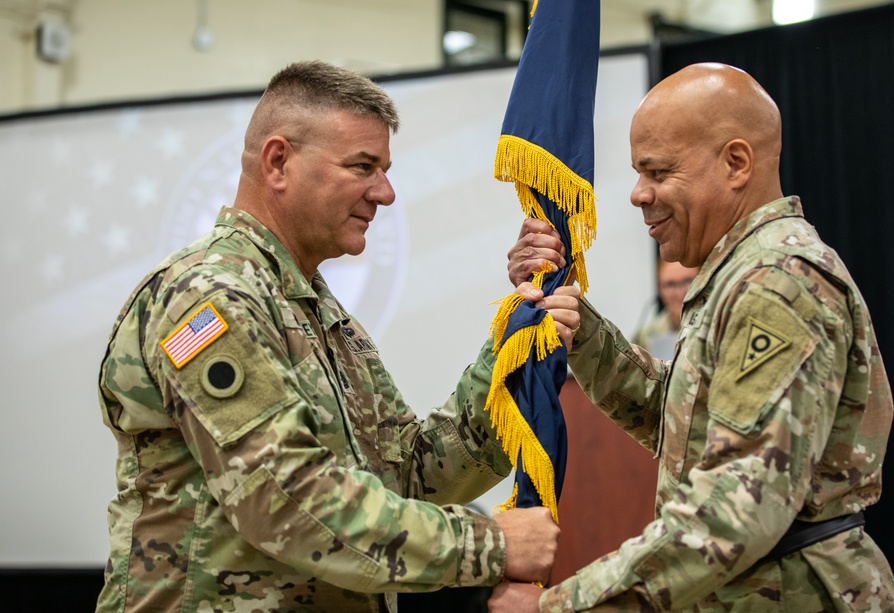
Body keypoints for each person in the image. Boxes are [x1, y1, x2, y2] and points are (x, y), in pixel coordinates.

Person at [96, 60, 580, 612]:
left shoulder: (316, 310)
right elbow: (284, 499)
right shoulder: (209, 298)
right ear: (278, 162)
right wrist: (491, 546)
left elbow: (410, 476)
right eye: (363, 166)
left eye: (384, 168)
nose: (386, 192)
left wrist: (514, 347)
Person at [495, 62, 894, 611]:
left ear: (736, 163)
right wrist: (577, 326)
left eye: (658, 172)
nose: (639, 195)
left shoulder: (774, 284)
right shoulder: (742, 273)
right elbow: (683, 423)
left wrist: (559, 606)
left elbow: (739, 507)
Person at [633, 259, 700, 359]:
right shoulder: (646, 337)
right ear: (659, 288)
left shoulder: (717, 323)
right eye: (670, 284)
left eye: (688, 281)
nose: (679, 292)